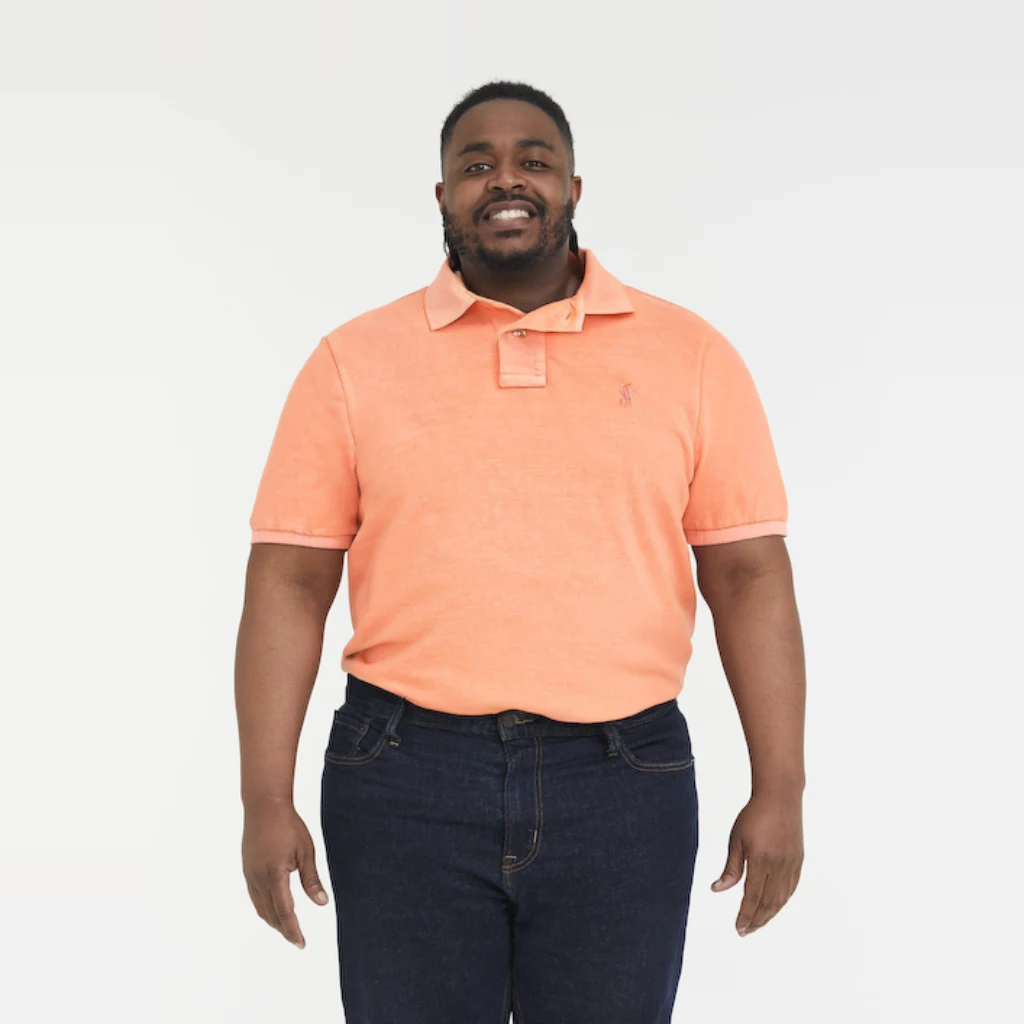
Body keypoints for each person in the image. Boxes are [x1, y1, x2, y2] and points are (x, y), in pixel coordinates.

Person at [236, 79, 805, 1023]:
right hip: (403, 776)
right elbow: (290, 583)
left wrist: (780, 787)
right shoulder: (351, 362)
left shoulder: (691, 355)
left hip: (624, 778)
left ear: (573, 187)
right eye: (477, 164)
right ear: (442, 195)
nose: (506, 179)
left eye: (533, 160)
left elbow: (748, 577)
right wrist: (264, 797)